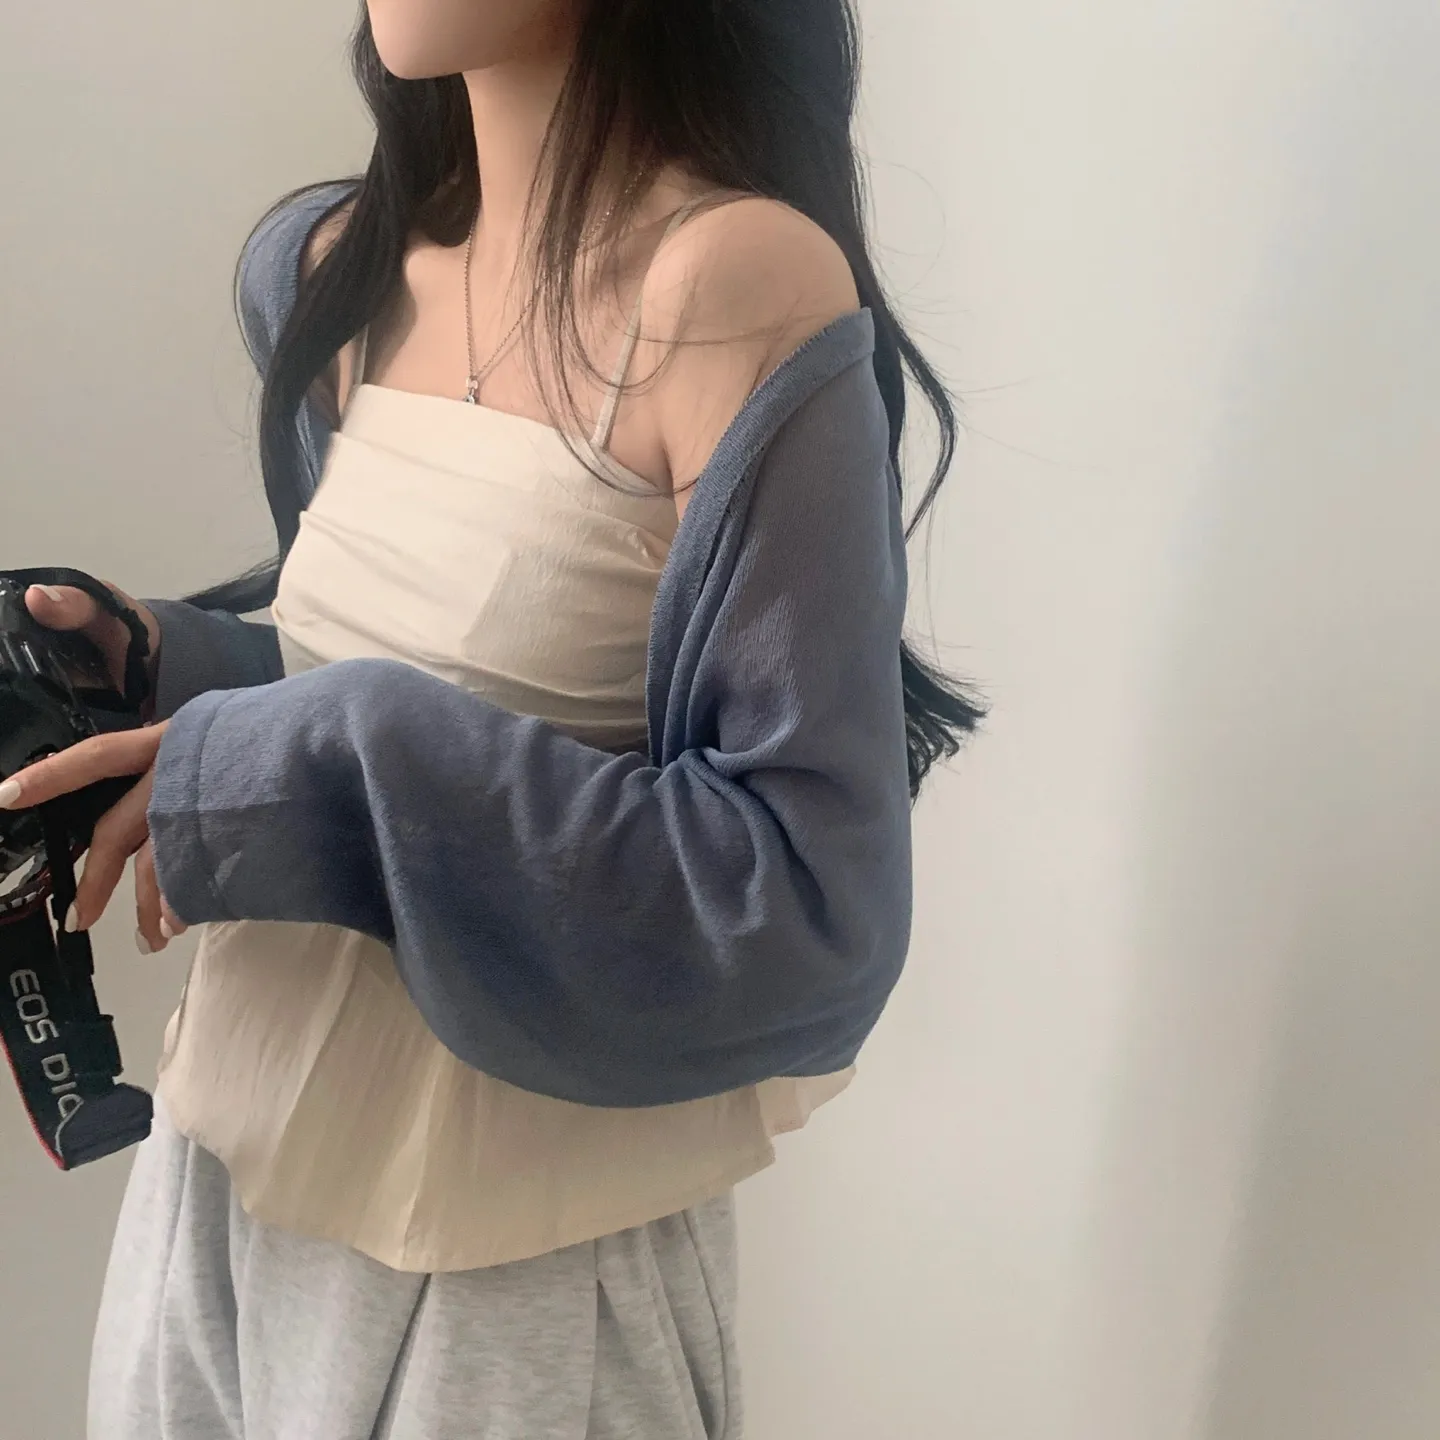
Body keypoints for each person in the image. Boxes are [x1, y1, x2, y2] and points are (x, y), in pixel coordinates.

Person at [6, 0, 980, 1435]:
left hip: (511, 1265)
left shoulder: (733, 283)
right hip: (210, 1189)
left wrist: (297, 757)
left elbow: (804, 921)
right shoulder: (335, 267)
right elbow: (403, 690)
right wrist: (162, 672)